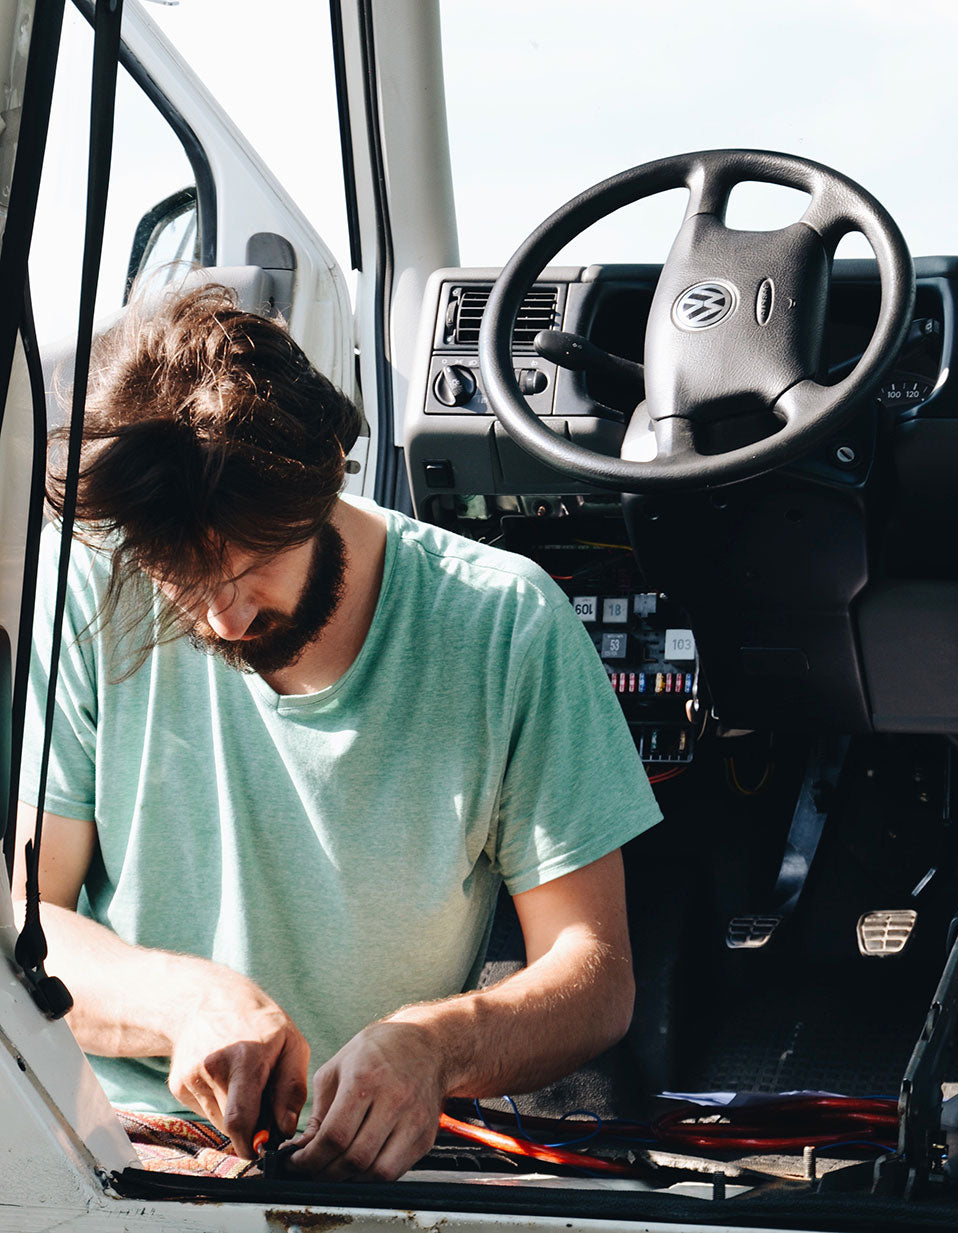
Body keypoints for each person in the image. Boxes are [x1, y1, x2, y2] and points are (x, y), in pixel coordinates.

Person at [13, 284, 661, 1182]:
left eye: (250, 569)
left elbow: (594, 977)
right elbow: (24, 926)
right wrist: (183, 1004)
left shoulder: (506, 625)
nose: (223, 618)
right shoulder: (86, 588)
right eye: (180, 582)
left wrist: (435, 1046)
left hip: (376, 1164)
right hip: (108, 1144)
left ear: (330, 473)